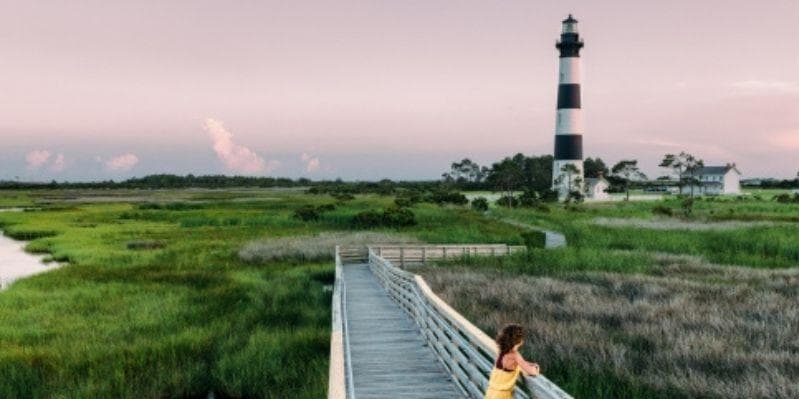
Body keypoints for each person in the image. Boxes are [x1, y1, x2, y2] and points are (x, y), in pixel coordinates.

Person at [483, 323, 540, 399]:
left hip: (491, 392)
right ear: (519, 341)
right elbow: (531, 371)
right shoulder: (515, 355)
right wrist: (536, 368)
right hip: (502, 396)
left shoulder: (502, 352)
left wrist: (527, 363)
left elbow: (518, 363)